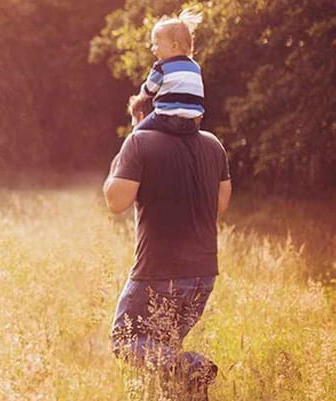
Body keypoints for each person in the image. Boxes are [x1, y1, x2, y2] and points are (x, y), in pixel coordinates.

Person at [104, 93, 232, 400]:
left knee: (125, 339)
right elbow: (220, 205)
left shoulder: (140, 142)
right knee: (163, 351)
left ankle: (194, 367)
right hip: (203, 275)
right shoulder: (213, 145)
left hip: (158, 273)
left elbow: (115, 202)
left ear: (147, 116)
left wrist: (121, 163)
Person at [134, 9, 206, 137]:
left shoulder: (161, 67)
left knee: (136, 136)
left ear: (174, 46)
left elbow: (149, 90)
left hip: (167, 120)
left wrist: (140, 97)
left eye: (156, 44)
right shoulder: (196, 67)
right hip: (194, 123)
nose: (153, 49)